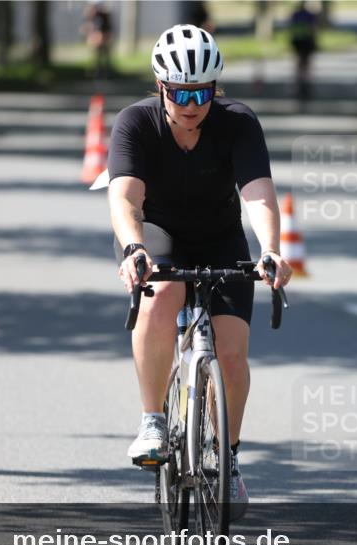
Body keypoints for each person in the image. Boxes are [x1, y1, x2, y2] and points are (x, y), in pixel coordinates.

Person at [107, 24, 293, 516]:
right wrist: (133, 249)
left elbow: (258, 193)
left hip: (218, 237)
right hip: (158, 236)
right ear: (161, 86)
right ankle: (152, 421)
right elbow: (124, 196)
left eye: (202, 91)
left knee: (232, 354)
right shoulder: (135, 123)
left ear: (215, 88)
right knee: (162, 297)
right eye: (180, 92)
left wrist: (270, 250)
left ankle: (227, 459)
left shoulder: (238, 122)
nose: (191, 103)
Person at [288, 2, 319, 101]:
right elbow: (313, 29)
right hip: (307, 41)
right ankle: (306, 83)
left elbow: (291, 28)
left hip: (297, 41)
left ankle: (298, 85)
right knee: (306, 63)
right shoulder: (310, 15)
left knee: (298, 63)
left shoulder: (295, 15)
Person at [82, 2, 113, 80]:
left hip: (103, 39)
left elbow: (107, 29)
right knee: (96, 58)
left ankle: (105, 73)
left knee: (104, 57)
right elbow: (86, 28)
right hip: (95, 40)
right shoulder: (91, 17)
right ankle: (96, 73)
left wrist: (103, 38)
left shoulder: (103, 16)